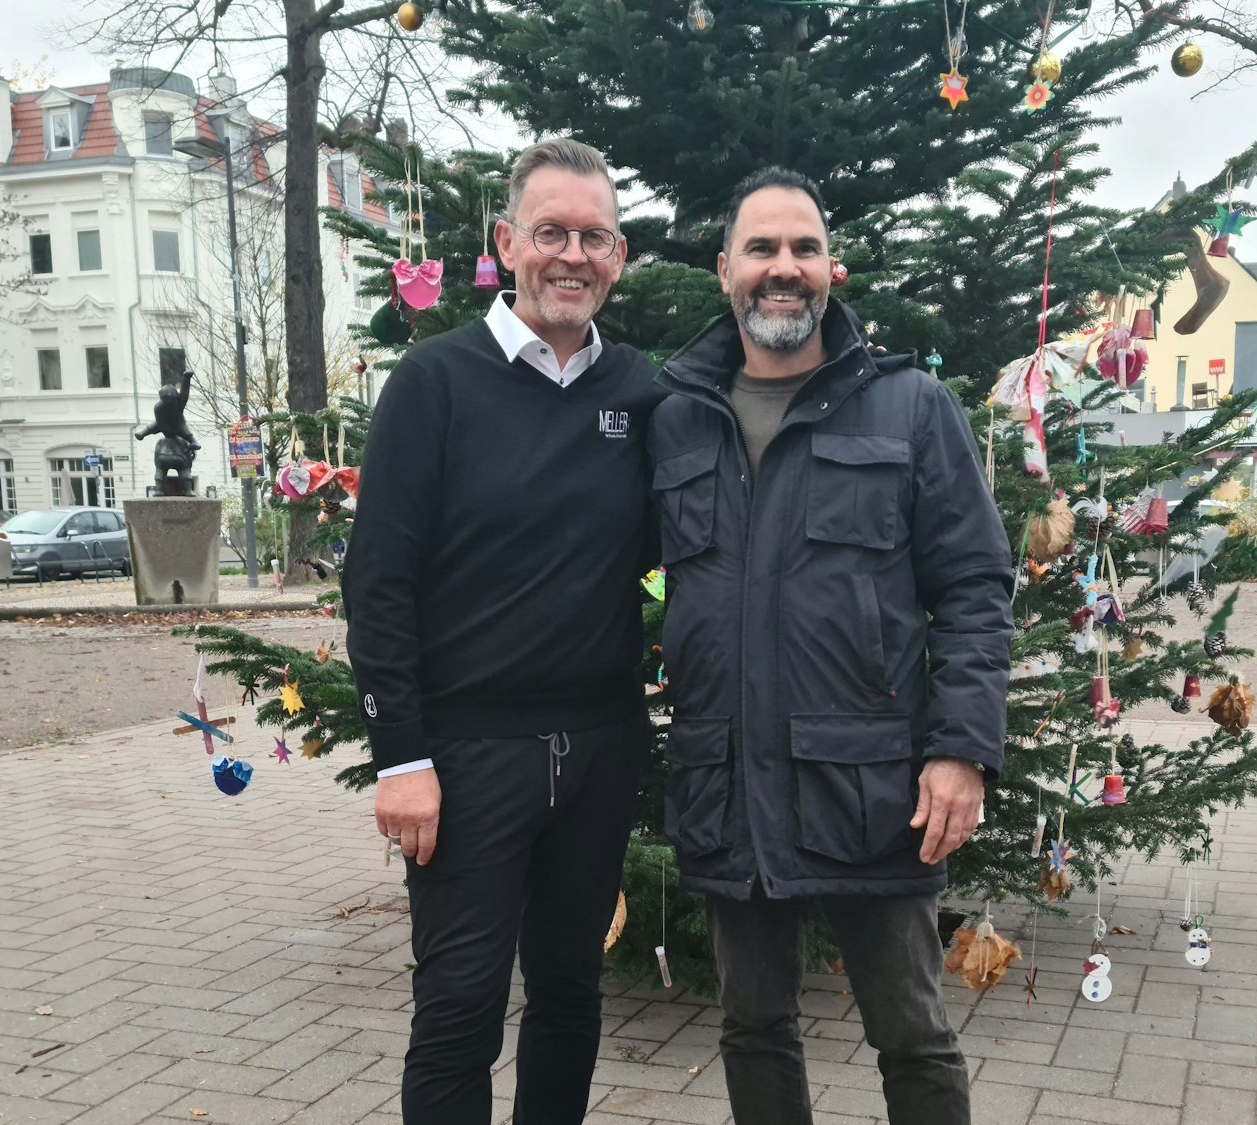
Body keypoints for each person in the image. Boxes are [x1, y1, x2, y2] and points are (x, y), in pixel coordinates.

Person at [648, 168, 1014, 1125]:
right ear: (725, 270)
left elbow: (974, 587)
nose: (784, 268)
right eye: (762, 249)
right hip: (728, 781)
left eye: (803, 248)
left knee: (914, 1037)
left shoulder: (910, 406)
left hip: (873, 791)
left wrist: (961, 749)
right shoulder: (676, 417)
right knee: (753, 1029)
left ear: (831, 268)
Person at [342, 138, 661, 1125]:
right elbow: (377, 580)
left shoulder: (642, 394)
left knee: (569, 995)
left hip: (601, 746)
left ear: (618, 257)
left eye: (595, 237)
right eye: (550, 232)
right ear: (506, 242)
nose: (572, 255)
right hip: (466, 755)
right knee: (458, 1010)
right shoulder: (434, 383)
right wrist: (400, 758)